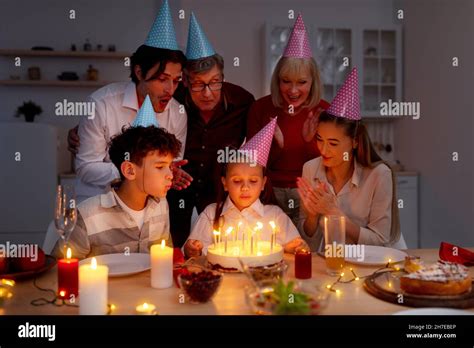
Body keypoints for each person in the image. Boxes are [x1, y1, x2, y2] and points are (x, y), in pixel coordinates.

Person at [68, 0, 190, 203]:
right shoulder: (101, 104)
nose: (170, 90)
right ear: (139, 72)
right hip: (100, 205)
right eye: (162, 79)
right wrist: (137, 170)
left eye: (176, 81)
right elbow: (86, 168)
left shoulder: (177, 113)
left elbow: (171, 164)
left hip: (150, 208)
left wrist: (170, 172)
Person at [167, 13, 255, 247]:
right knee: (173, 252)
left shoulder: (243, 101)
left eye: (215, 82)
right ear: (184, 81)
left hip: (220, 193)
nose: (207, 93)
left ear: (223, 78)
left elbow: (261, 135)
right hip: (175, 193)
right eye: (198, 83)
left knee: (222, 253)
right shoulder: (171, 99)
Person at [53, 103, 182, 258]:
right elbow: (59, 271)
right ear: (129, 170)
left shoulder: (161, 206)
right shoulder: (87, 216)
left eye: (170, 166)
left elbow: (165, 259)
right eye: (160, 167)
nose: (170, 175)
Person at [297, 68, 401, 251]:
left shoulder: (378, 175)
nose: (323, 149)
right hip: (331, 263)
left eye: (333, 143)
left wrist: (334, 213)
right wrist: (312, 216)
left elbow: (381, 242)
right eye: (319, 140)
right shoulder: (310, 169)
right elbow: (308, 244)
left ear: (354, 142)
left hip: (371, 263)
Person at [247, 14, 329, 228]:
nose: (293, 91)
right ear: (277, 80)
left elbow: (330, 165)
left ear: (312, 82)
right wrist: (277, 146)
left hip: (310, 193)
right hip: (269, 194)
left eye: (301, 82)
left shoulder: (325, 112)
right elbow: (252, 167)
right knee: (273, 252)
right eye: (286, 81)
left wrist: (309, 141)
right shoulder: (260, 109)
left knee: (307, 253)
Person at [184, 118, 307, 257]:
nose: (245, 188)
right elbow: (192, 252)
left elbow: (296, 246)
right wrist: (192, 249)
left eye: (253, 181)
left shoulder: (275, 215)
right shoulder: (211, 214)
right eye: (237, 181)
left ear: (263, 183)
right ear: (224, 183)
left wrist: (295, 247)